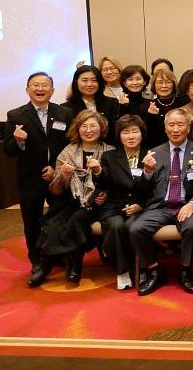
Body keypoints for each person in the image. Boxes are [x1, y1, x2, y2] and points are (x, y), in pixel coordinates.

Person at [3, 72, 74, 286]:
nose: (40, 88)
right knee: (32, 222)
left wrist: (56, 168)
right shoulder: (15, 115)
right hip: (30, 180)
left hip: (57, 176)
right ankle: (36, 261)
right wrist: (18, 141)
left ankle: (59, 254)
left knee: (60, 217)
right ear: (27, 90)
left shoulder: (64, 113)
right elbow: (9, 150)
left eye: (45, 85)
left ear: (52, 90)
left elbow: (70, 145)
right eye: (35, 85)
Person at [129, 108, 193, 295]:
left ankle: (186, 271)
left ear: (188, 127)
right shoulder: (155, 152)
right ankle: (155, 270)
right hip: (160, 206)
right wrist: (147, 172)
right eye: (171, 125)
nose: (176, 129)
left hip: (187, 205)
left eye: (180, 125)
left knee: (191, 227)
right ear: (165, 129)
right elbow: (141, 190)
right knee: (136, 229)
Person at [38, 109, 114, 285]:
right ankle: (49, 264)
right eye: (84, 126)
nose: (88, 130)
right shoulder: (68, 151)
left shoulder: (110, 151)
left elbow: (116, 181)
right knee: (53, 223)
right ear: (77, 129)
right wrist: (64, 175)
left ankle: (65, 264)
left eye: (93, 126)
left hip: (98, 203)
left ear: (101, 128)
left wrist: (106, 194)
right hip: (71, 200)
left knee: (77, 219)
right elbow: (56, 189)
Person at [95, 114, 151, 290]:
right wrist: (97, 172)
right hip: (114, 206)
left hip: (141, 206)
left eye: (135, 131)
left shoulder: (150, 154)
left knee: (133, 227)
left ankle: (141, 268)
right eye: (126, 132)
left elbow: (156, 186)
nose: (131, 136)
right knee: (116, 226)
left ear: (142, 133)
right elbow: (103, 184)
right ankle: (122, 271)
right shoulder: (109, 156)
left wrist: (141, 204)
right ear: (119, 135)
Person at [145, 66, 186, 147]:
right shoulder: (148, 106)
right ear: (154, 85)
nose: (164, 86)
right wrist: (151, 116)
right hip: (157, 148)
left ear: (173, 84)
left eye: (168, 82)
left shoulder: (183, 103)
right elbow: (147, 135)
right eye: (160, 82)